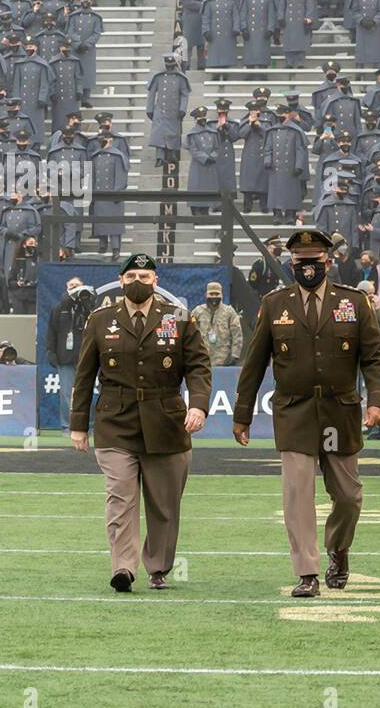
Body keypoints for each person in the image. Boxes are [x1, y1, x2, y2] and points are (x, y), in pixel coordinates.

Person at [233, 230, 380, 597]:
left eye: (314, 262)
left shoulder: (353, 303)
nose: (306, 268)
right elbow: (253, 363)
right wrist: (242, 414)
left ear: (328, 263)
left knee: (348, 495)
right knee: (298, 494)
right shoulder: (275, 304)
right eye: (300, 263)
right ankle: (307, 572)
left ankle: (339, 548)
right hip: (295, 411)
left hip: (340, 411)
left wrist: (378, 401)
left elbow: (374, 358)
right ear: (291, 264)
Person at [70, 253, 213, 592]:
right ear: (121, 281)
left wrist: (199, 407)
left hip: (166, 421)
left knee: (164, 504)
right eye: (131, 276)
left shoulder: (179, 318)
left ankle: (158, 567)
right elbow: (85, 374)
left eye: (144, 277)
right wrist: (78, 425)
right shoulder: (101, 319)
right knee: (120, 498)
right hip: (115, 422)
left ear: (156, 281)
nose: (138, 282)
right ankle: (123, 567)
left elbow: (198, 367)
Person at [46, 278, 93, 432]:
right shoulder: (59, 307)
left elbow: (93, 324)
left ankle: (88, 425)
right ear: (66, 289)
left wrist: (84, 301)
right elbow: (51, 332)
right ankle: (67, 425)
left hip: (84, 356)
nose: (74, 289)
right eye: (71, 286)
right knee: (66, 394)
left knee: (86, 391)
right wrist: (51, 352)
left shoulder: (87, 304)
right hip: (64, 357)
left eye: (77, 286)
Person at [188, 281, 243, 366]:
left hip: (223, 361)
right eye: (211, 294)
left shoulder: (229, 312)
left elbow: (237, 334)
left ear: (221, 295)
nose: (214, 296)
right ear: (206, 295)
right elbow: (190, 332)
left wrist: (235, 355)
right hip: (202, 360)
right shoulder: (197, 312)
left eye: (217, 294)